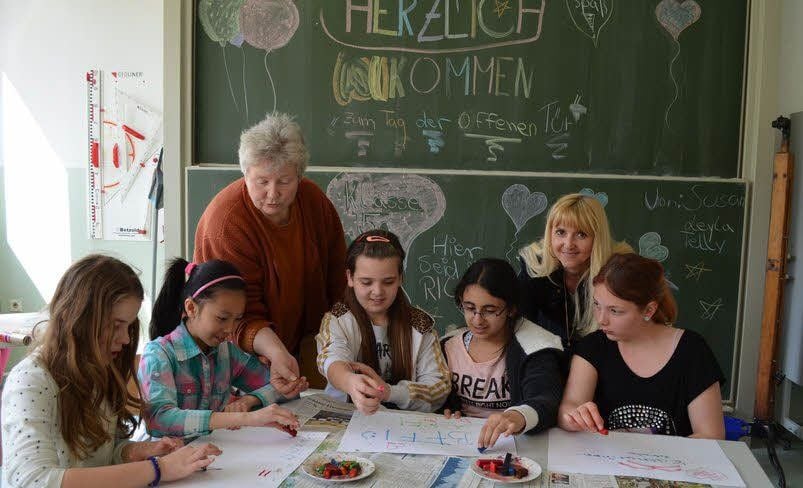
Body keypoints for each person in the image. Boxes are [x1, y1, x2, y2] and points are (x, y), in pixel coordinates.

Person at [2, 255, 220, 488]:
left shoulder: (99, 369)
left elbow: (100, 457)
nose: (126, 339)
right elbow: (33, 480)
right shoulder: (31, 380)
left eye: (128, 326)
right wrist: (158, 469)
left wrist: (135, 452)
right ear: (79, 318)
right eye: (116, 325)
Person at [194, 112, 347, 389]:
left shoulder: (314, 202)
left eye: (284, 181)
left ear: (299, 176)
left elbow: (336, 277)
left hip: (309, 345)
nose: (273, 193)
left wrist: (339, 340)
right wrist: (276, 352)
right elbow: (237, 313)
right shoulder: (227, 222)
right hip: (237, 355)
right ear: (245, 174)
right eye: (262, 181)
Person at [558, 253, 725, 439]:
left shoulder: (692, 350)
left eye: (615, 311)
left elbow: (711, 435)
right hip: (608, 463)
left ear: (648, 310)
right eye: (597, 305)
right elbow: (569, 407)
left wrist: (652, 460)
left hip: (675, 466)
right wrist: (574, 417)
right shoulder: (593, 346)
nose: (601, 319)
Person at [139, 258, 300, 438]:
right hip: (171, 461)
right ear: (191, 308)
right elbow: (158, 419)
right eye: (222, 318)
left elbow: (282, 388)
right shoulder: (159, 354)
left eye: (237, 318)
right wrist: (243, 418)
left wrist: (249, 400)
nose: (231, 329)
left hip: (216, 453)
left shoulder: (227, 352)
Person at [316, 230, 451, 415]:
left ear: (401, 278)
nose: (378, 292)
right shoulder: (338, 319)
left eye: (388, 282)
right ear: (349, 277)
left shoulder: (420, 325)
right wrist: (350, 382)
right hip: (347, 418)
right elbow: (331, 360)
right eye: (366, 282)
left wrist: (389, 392)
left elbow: (439, 388)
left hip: (405, 425)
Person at [442, 258, 565, 451]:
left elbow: (545, 399)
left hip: (513, 443)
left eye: (490, 310)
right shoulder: (448, 346)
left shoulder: (536, 347)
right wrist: (446, 408)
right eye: (469, 308)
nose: (477, 320)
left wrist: (517, 416)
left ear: (511, 309)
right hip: (460, 441)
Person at [518, 193, 632, 351]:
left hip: (603, 353)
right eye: (560, 232)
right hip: (548, 353)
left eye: (581, 234)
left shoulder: (620, 267)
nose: (568, 244)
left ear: (597, 238)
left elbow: (629, 329)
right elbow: (520, 325)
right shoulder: (535, 265)